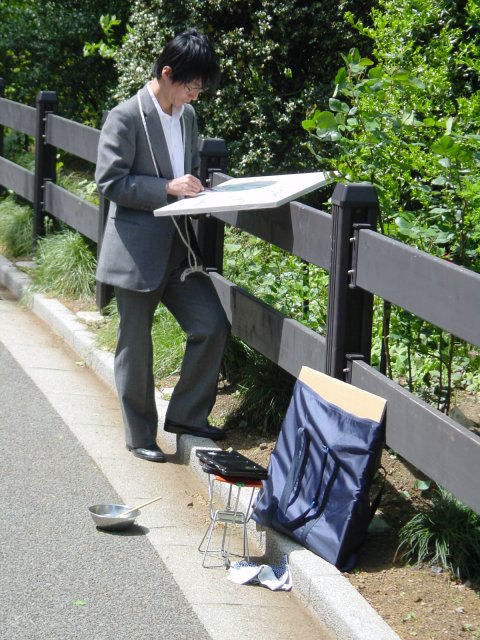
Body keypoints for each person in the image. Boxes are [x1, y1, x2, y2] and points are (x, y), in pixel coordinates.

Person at [95, 29, 230, 462]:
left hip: (179, 249)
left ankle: (187, 417)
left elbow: (185, 174)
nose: (195, 95)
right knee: (135, 344)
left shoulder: (187, 118)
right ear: (167, 73)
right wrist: (167, 188)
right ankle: (140, 436)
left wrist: (200, 191)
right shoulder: (126, 116)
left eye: (200, 88)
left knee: (211, 325)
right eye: (190, 86)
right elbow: (110, 182)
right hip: (135, 251)